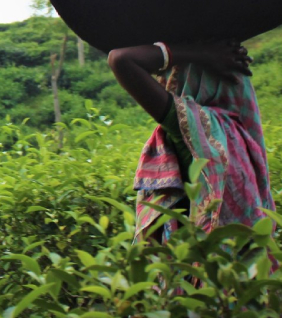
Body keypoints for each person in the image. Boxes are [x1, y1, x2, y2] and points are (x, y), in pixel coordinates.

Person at [104, 39, 282, 318]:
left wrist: (193, 53)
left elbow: (121, 60)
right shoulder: (244, 136)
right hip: (247, 301)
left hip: (188, 309)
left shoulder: (196, 130)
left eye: (177, 78)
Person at [106, 40, 263, 242]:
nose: (165, 82)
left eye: (171, 75)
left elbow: (120, 60)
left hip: (195, 266)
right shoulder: (243, 134)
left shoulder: (190, 129)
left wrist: (199, 54)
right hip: (244, 266)